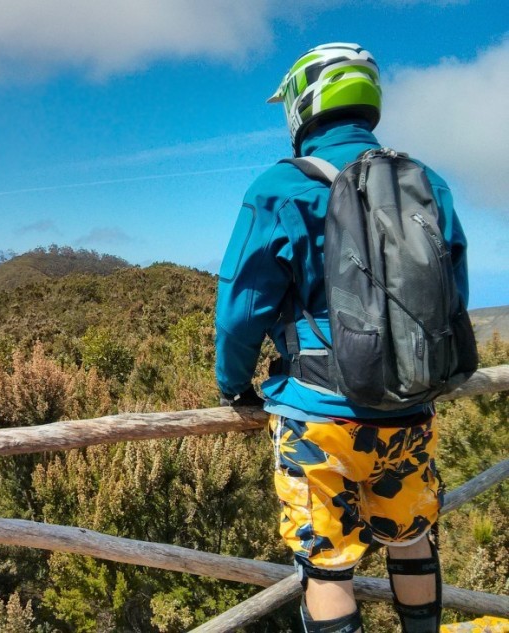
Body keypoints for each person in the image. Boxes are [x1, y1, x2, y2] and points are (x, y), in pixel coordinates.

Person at [214, 43, 469, 633]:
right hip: (409, 408)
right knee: (412, 540)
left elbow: (240, 309)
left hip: (318, 414)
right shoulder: (425, 180)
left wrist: (235, 388)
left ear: (304, 103)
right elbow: (450, 292)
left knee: (328, 568)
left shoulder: (279, 188)